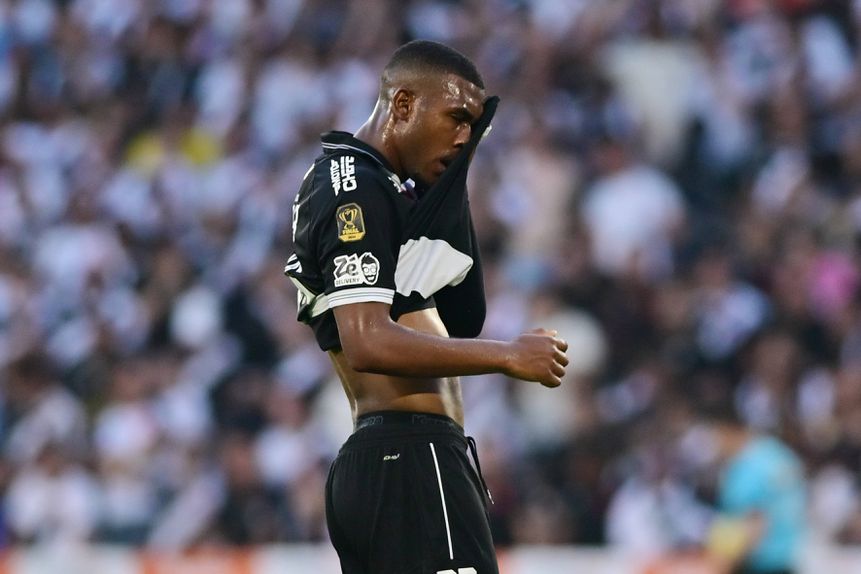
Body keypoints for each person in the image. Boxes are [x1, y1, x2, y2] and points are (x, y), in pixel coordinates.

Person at [285, 40, 568, 574]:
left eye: (473, 128)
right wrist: (508, 355)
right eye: (456, 118)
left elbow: (462, 316)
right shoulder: (357, 186)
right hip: (412, 458)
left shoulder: (374, 185)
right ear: (404, 104)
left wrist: (453, 174)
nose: (464, 138)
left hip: (395, 460)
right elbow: (367, 340)